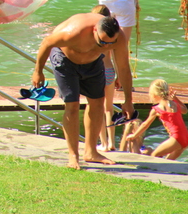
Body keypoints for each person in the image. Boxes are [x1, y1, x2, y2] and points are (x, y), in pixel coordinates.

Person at [31, 13, 134, 170]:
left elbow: (124, 68)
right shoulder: (74, 32)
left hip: (93, 63)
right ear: (94, 30)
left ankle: (91, 152)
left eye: (110, 44)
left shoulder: (118, 38)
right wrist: (38, 71)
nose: (106, 47)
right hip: (65, 60)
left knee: (98, 102)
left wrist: (128, 101)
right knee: (72, 104)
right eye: (102, 42)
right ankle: (73, 155)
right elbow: (47, 42)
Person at [126, 79, 188, 160]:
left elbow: (145, 124)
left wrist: (134, 135)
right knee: (167, 163)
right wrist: (176, 99)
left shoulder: (157, 109)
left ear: (154, 94)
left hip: (176, 138)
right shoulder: (175, 103)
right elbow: (185, 110)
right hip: (186, 137)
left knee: (154, 156)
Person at [91, 4, 117, 152]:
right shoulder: (112, 32)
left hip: (98, 71)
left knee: (98, 108)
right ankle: (112, 142)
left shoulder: (97, 33)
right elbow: (116, 56)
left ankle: (104, 143)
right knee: (109, 109)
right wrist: (118, 75)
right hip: (110, 71)